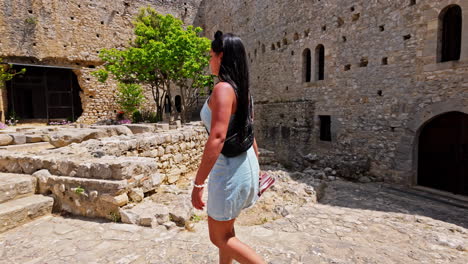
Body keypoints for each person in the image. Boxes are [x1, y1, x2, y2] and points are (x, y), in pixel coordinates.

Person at [191, 31, 266, 264]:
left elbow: (217, 137)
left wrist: (198, 184)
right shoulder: (242, 89)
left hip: (230, 172)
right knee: (227, 232)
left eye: (211, 55)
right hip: (246, 165)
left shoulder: (223, 89)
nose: (209, 60)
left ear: (221, 56)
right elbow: (249, 131)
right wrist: (257, 170)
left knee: (218, 237)